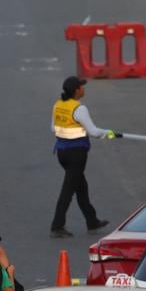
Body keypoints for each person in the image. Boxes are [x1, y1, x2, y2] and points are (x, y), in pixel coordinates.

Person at [50, 76, 115, 239]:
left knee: (81, 187)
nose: (84, 88)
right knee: (68, 190)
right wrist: (107, 133)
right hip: (76, 155)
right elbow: (93, 131)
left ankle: (92, 221)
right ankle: (57, 226)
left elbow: (53, 128)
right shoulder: (79, 108)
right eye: (82, 86)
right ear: (76, 90)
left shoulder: (58, 104)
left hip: (62, 153)